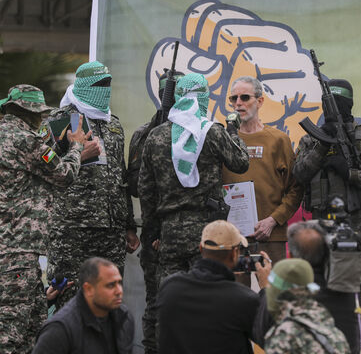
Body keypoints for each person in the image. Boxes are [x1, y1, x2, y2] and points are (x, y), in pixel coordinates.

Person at [138, 73, 250, 286]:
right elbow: (241, 162)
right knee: (209, 295)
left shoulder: (156, 136)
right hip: (208, 231)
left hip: (169, 232)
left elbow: (146, 189)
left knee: (172, 297)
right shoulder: (213, 132)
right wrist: (234, 133)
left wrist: (152, 232)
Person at [0, 84, 87, 354]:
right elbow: (63, 175)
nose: (41, 119)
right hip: (19, 250)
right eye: (38, 114)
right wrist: (76, 148)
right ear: (26, 112)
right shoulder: (25, 139)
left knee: (35, 328)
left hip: (11, 248)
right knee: (12, 332)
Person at [46, 61, 139, 308]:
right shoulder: (59, 121)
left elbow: (121, 178)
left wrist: (129, 225)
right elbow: (45, 167)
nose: (105, 90)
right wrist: (77, 153)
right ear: (84, 86)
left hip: (111, 229)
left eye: (108, 84)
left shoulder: (114, 125)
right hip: (72, 230)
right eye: (99, 84)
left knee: (108, 301)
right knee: (71, 302)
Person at [293, 78, 361, 261]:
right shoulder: (311, 141)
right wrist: (322, 146)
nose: (334, 109)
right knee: (321, 279)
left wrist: (351, 174)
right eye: (330, 103)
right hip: (320, 225)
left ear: (349, 105)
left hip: (360, 225)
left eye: (340, 103)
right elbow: (299, 175)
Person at [126, 69, 183, 354]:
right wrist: (154, 137)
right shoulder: (143, 133)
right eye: (166, 94)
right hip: (154, 229)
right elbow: (135, 186)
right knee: (155, 303)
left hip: (187, 230)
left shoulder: (198, 131)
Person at [155, 220, 271, 354]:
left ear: (200, 248)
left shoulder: (169, 287)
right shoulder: (244, 299)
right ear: (234, 254)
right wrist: (266, 289)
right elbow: (274, 340)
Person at [222, 76, 303, 266]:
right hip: (232, 236)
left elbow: (296, 188)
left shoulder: (278, 139)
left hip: (270, 236)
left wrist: (273, 220)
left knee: (275, 292)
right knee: (235, 295)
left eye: (244, 97)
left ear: (260, 101)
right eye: (234, 99)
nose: (238, 103)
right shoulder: (222, 140)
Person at [287, 221, 361, 354]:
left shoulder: (284, 294)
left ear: (290, 257)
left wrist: (266, 288)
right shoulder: (347, 288)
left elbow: (261, 334)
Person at [33, 257, 134, 354]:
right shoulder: (59, 330)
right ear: (89, 289)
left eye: (119, 283)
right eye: (110, 285)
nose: (119, 291)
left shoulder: (124, 317)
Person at [264, 258, 350, 354]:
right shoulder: (331, 329)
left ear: (282, 291)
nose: (268, 288)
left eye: (271, 284)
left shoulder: (285, 336)